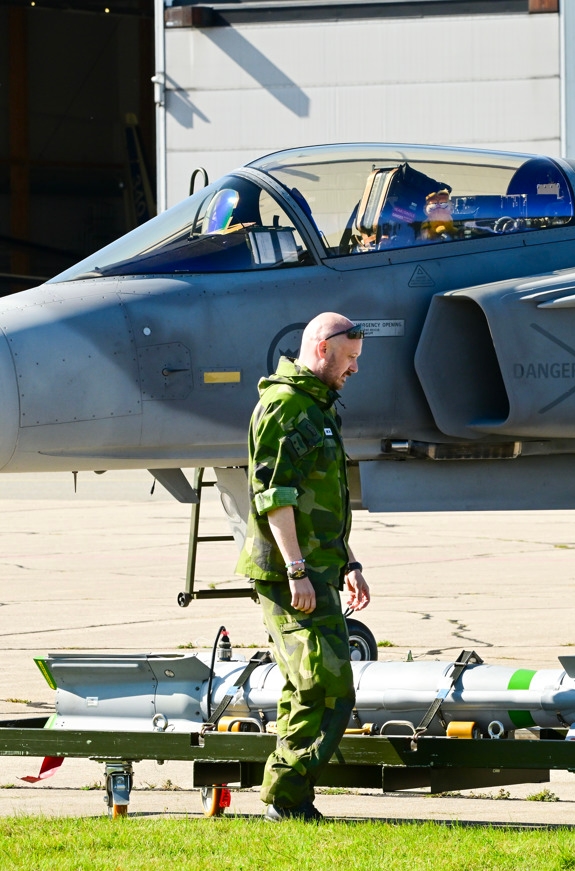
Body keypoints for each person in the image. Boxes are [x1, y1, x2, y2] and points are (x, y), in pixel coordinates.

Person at [236, 312, 371, 822]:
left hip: (318, 571)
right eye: (350, 359)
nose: (354, 369)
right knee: (326, 685)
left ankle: (289, 798)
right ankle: (286, 799)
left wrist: (349, 562)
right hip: (291, 577)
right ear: (321, 350)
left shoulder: (316, 408)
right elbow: (275, 497)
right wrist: (295, 570)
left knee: (308, 684)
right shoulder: (286, 408)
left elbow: (323, 501)